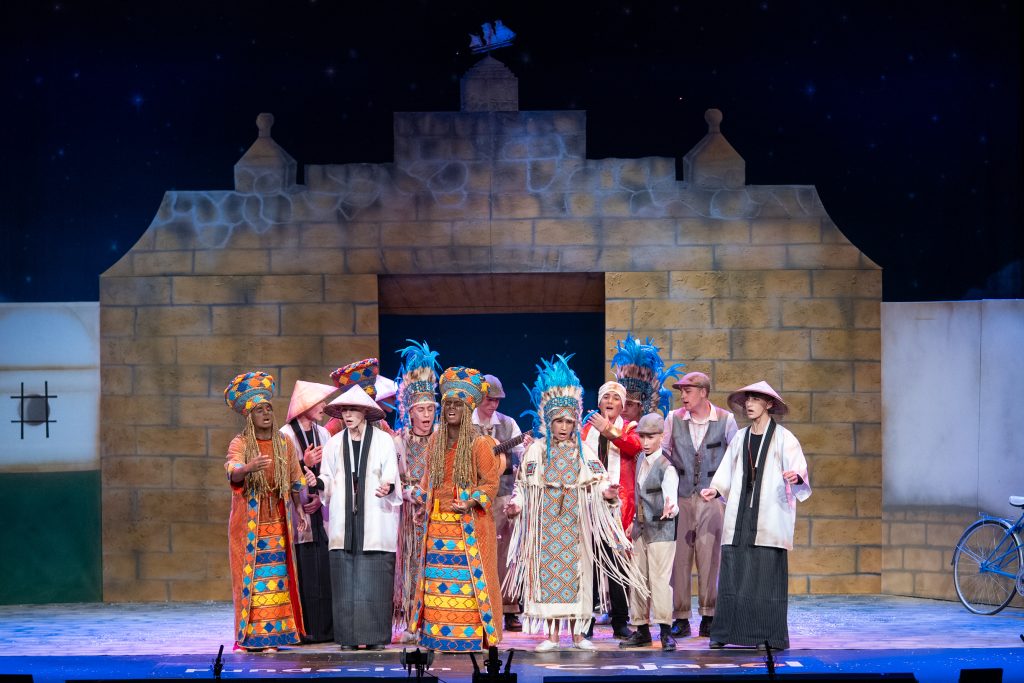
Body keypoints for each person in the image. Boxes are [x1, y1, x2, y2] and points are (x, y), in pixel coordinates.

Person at [505, 355, 648, 652]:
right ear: (549, 421)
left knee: (578, 579)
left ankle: (579, 636)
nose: (564, 427)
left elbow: (599, 479)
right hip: (546, 527)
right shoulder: (537, 451)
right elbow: (523, 486)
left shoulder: (582, 451)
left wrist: (608, 493)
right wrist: (516, 506)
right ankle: (552, 636)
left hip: (575, 525)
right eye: (559, 421)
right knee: (550, 579)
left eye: (569, 421)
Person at [700, 381, 811, 651]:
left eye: (755, 399)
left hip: (769, 515)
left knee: (764, 577)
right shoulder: (740, 437)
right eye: (747, 399)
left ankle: (768, 636)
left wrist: (796, 477)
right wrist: (716, 489)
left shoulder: (784, 438)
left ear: (769, 404)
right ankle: (725, 632)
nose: (749, 404)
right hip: (740, 515)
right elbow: (727, 470)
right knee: (733, 571)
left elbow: (799, 470)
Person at [408, 366, 503, 653]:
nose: (451, 409)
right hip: (438, 526)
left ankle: (468, 637)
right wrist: (417, 497)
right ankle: (438, 637)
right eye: (448, 403)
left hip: (467, 527)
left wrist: (471, 501)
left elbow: (490, 483)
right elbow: (428, 481)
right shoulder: (436, 441)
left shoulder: (479, 443)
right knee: (439, 583)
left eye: (458, 404)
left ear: (468, 408)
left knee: (467, 584)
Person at [223, 371, 311, 652]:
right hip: (249, 523)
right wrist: (248, 468)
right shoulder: (241, 443)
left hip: (277, 520)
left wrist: (301, 511)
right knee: (253, 579)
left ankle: (275, 637)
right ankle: (253, 637)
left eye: (269, 408)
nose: (266, 414)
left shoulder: (283, 443)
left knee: (275, 578)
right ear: (249, 416)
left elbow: (295, 479)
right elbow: (233, 470)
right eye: (259, 410)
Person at [315, 384, 403, 651]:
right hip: (344, 520)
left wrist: (388, 486)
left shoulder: (383, 441)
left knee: (375, 580)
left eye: (353, 409)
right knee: (345, 580)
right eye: (344, 410)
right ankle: (348, 638)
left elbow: (391, 474)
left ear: (365, 412)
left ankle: (375, 637)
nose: (348, 415)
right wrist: (316, 482)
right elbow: (327, 477)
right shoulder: (333, 443)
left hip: (375, 518)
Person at [662, 371, 739, 638]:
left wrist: (721, 491)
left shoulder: (726, 420)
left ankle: (709, 615)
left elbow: (735, 460)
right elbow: (664, 455)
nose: (683, 396)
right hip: (682, 496)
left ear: (703, 392)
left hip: (711, 498)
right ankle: (681, 617)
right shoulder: (673, 419)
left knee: (709, 557)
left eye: (688, 391)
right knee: (679, 560)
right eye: (681, 392)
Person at [581, 380, 642, 639]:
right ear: (599, 402)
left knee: (617, 564)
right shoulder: (586, 429)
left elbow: (634, 447)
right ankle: (586, 621)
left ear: (622, 405)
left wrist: (608, 430)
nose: (610, 402)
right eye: (606, 397)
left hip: (619, 506)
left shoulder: (629, 428)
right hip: (590, 503)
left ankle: (620, 621)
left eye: (616, 398)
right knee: (590, 563)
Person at [279, 379, 339, 643]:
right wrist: (303, 462)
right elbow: (282, 476)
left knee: (324, 572)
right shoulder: (286, 435)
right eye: (319, 402)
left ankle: (327, 629)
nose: (324, 406)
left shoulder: (323, 434)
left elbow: (331, 472)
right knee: (305, 573)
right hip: (299, 516)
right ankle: (305, 629)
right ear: (305, 405)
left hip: (320, 513)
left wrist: (320, 497)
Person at [392, 340, 441, 644]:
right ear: (409, 412)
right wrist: (409, 493)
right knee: (411, 568)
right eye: (420, 409)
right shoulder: (398, 441)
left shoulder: (441, 439)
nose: (426, 414)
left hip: (437, 516)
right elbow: (391, 479)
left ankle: (434, 621)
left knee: (435, 567)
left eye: (430, 409)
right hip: (410, 518)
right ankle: (411, 623)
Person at [619, 412, 679, 651]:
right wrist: (635, 520)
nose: (645, 442)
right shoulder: (640, 461)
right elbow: (640, 496)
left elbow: (671, 496)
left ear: (661, 437)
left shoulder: (666, 466)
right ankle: (641, 629)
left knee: (660, 580)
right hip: (641, 530)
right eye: (642, 436)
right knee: (638, 579)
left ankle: (665, 631)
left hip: (661, 530)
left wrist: (670, 508)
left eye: (651, 437)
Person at [471, 373, 526, 633]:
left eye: (497, 400)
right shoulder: (466, 423)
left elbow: (522, 457)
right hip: (475, 498)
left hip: (502, 495)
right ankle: (477, 608)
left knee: (505, 553)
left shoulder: (508, 424)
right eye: (489, 399)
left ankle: (509, 608)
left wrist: (518, 459)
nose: (493, 405)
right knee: (478, 551)